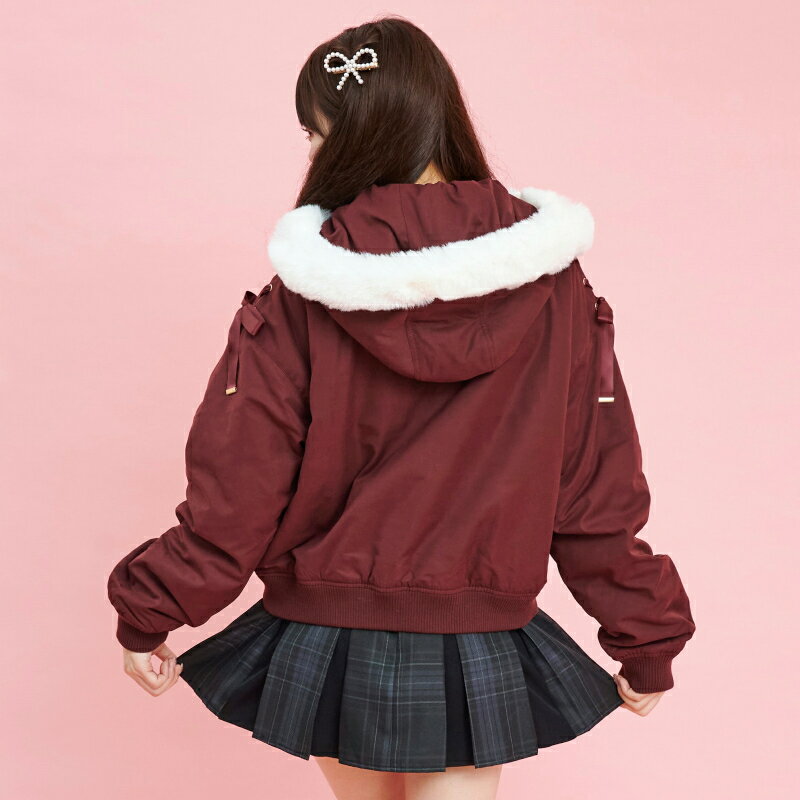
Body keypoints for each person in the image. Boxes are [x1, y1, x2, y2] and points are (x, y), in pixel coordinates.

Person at [106, 15, 696, 800]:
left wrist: (152, 609)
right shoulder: (556, 285)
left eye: (316, 135)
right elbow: (593, 484)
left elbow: (239, 486)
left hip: (326, 634)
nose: (312, 157)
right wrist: (644, 635)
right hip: (477, 635)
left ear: (361, 134)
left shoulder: (303, 291)